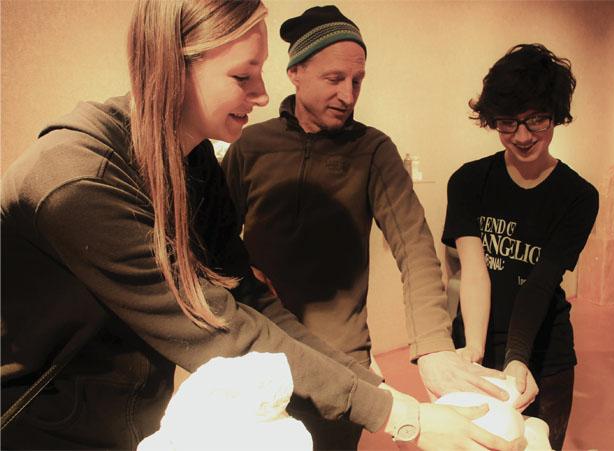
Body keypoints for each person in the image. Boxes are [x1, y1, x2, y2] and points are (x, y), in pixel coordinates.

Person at [0, 1, 523, 451]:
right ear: (172, 65)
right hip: (38, 427)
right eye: (242, 76)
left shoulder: (194, 158)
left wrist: (385, 383)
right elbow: (216, 321)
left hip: (134, 410)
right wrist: (401, 417)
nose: (262, 94)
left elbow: (246, 293)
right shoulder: (77, 181)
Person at [221, 5, 509, 449]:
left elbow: (414, 245)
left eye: (357, 80)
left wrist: (432, 344)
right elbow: (215, 239)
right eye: (334, 79)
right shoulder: (251, 146)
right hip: (258, 352)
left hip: (340, 359)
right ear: (296, 72)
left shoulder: (372, 151)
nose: (349, 94)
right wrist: (243, 273)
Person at [442, 43, 600, 450]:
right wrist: (474, 348)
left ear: (557, 115)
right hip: (474, 347)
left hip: (545, 356)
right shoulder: (468, 181)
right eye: (508, 123)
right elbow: (472, 270)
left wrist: (517, 356)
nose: (523, 136)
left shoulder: (578, 196)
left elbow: (541, 281)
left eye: (536, 120)